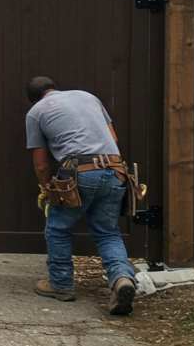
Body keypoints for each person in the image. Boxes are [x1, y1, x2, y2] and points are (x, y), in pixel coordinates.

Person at [24, 76, 136, 315]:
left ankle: (61, 284)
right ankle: (121, 279)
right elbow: (113, 138)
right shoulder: (88, 97)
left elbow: (41, 164)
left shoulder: (36, 112)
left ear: (33, 98)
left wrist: (46, 188)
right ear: (54, 87)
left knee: (58, 228)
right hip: (115, 169)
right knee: (108, 232)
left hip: (80, 172)